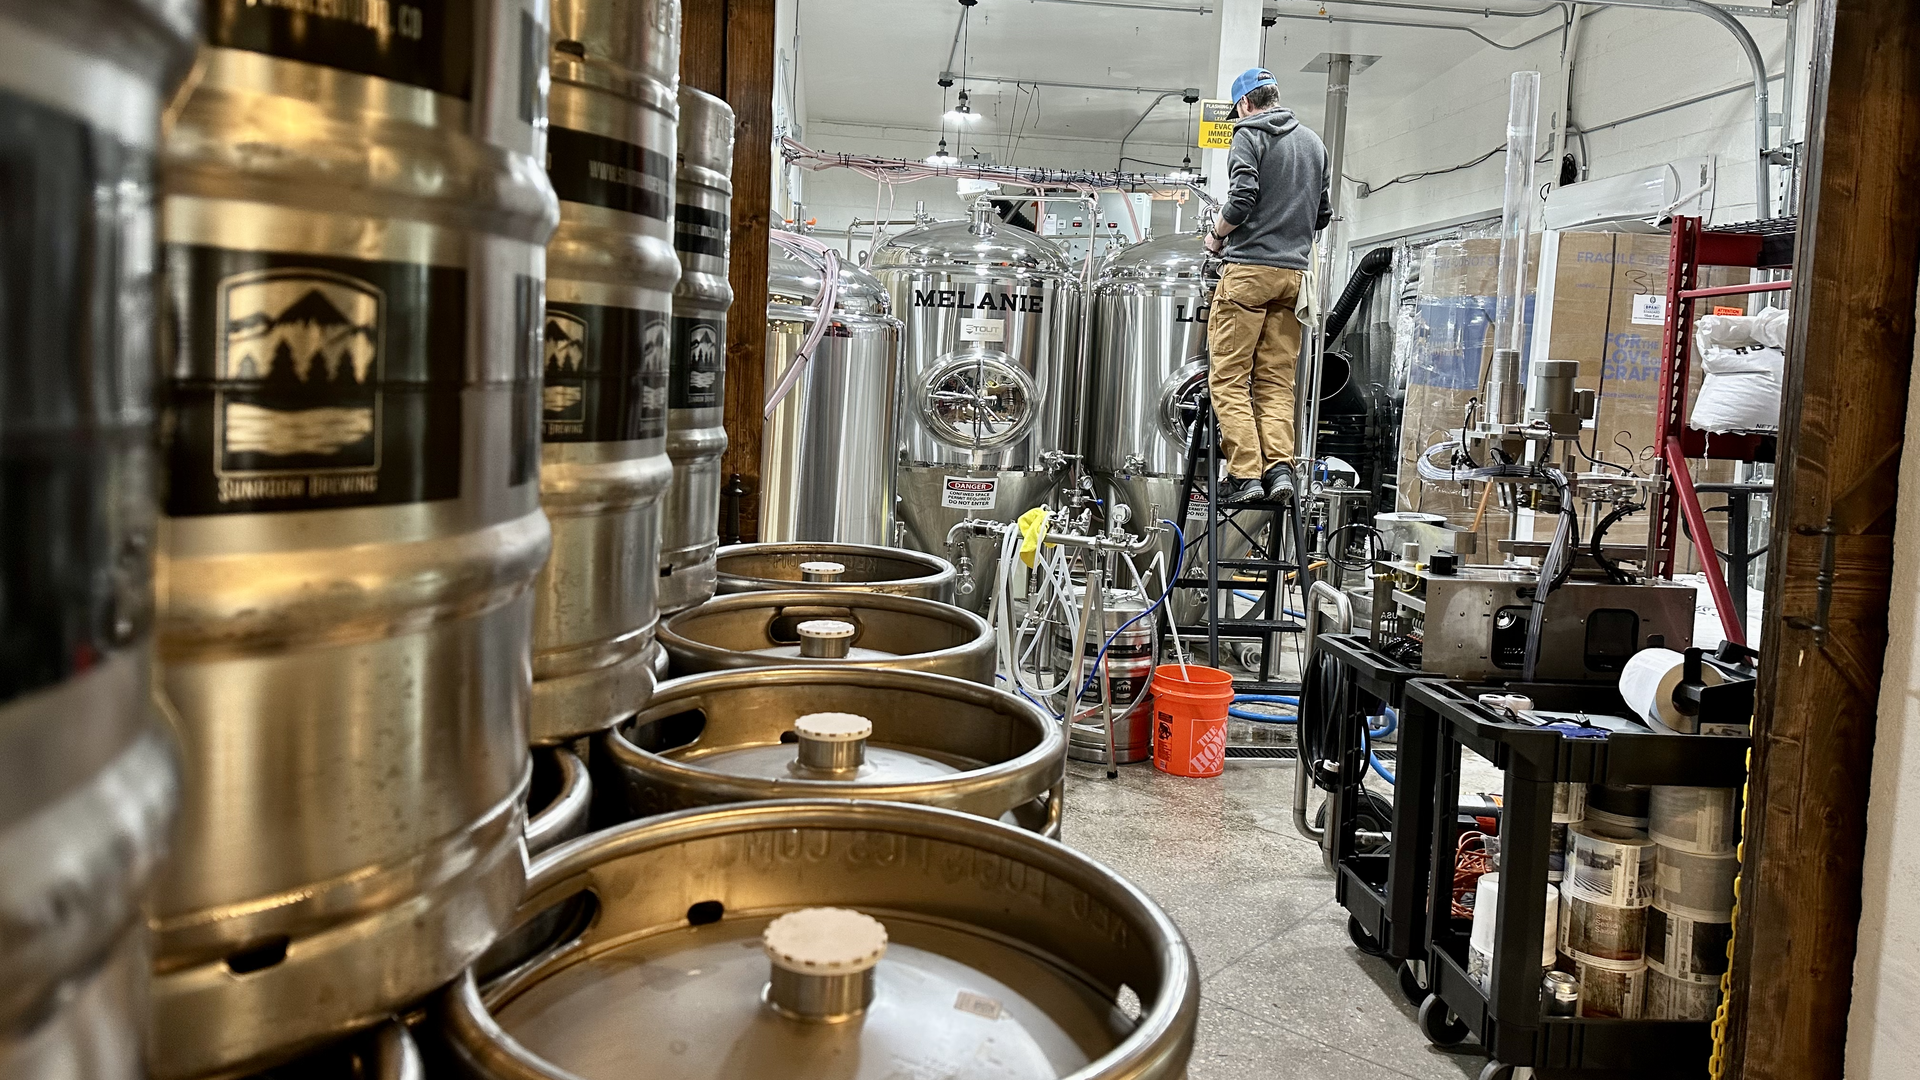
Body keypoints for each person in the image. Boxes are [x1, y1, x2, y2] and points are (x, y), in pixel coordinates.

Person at [1203, 67, 1332, 505]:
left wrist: (1217, 236)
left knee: (1230, 377)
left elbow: (1241, 200)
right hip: (1293, 278)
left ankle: (1245, 475)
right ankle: (1280, 470)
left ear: (1244, 103)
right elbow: (1322, 215)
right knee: (1277, 380)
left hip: (1248, 274)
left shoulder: (1248, 134)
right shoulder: (1314, 143)